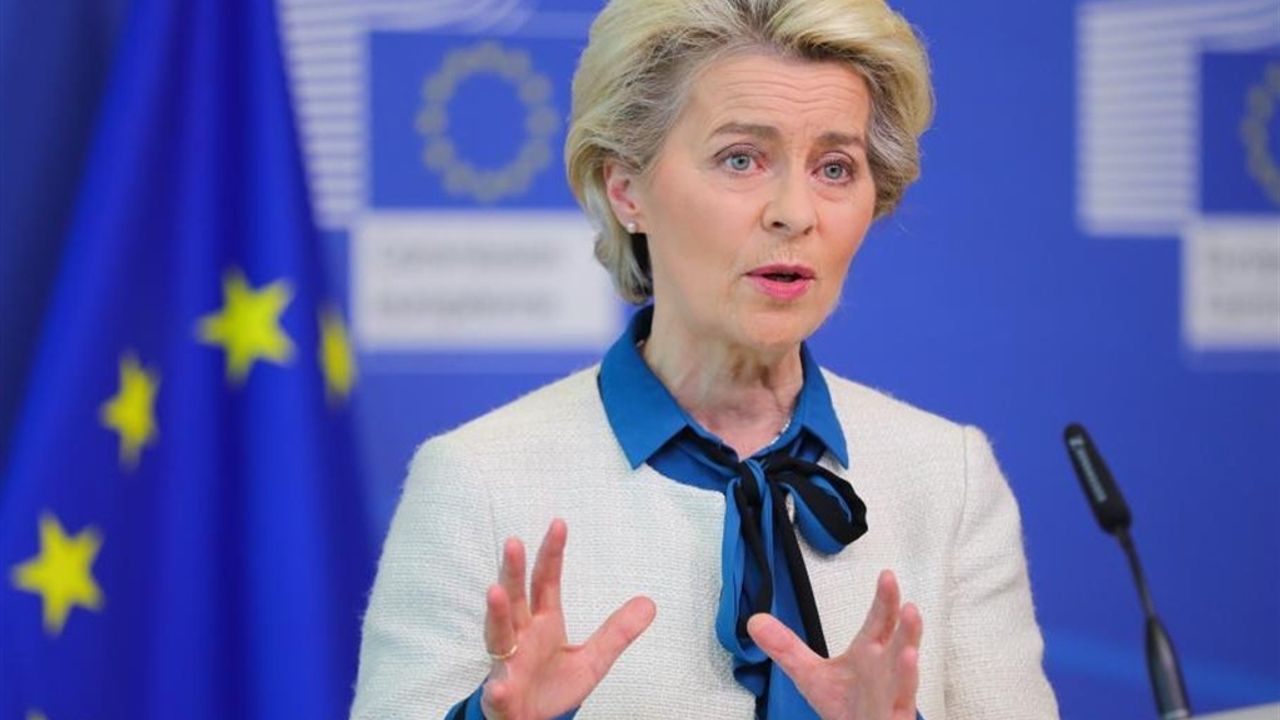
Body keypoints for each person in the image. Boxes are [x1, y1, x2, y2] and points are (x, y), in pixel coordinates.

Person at [351, 0, 1060, 718]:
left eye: (835, 168)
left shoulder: (947, 477)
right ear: (626, 190)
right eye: (741, 159)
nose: (795, 212)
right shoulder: (478, 481)